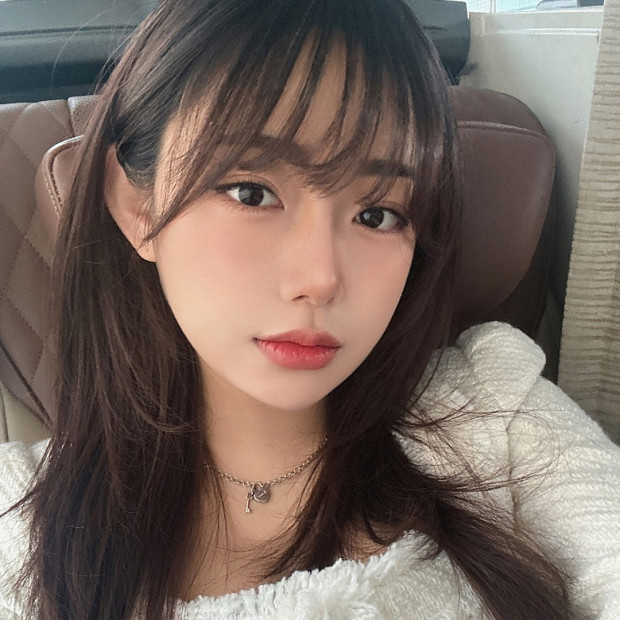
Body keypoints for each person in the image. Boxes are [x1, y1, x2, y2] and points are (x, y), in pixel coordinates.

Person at [0, 0, 619, 618]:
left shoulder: (496, 412)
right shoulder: (18, 516)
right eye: (252, 193)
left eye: (377, 214)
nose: (321, 279)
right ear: (138, 206)